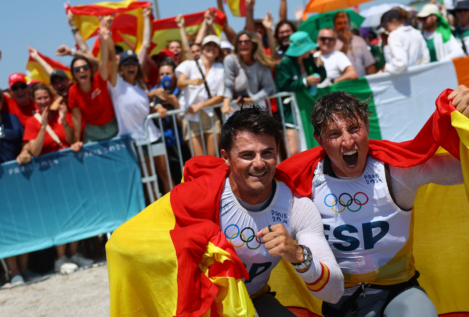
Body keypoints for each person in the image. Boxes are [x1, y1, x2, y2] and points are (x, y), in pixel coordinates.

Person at [106, 106, 344, 316]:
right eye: (247, 155)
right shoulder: (200, 195)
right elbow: (120, 243)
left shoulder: (296, 206)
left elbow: (334, 292)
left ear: (278, 151)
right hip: (205, 307)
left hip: (255, 300)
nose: (259, 163)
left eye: (267, 153)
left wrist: (300, 257)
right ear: (225, 157)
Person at [276, 87, 469, 316]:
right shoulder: (300, 183)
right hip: (340, 301)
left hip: (398, 292)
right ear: (319, 140)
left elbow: (464, 166)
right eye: (335, 134)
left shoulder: (398, 172)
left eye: (354, 129)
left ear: (367, 127)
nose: (348, 142)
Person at [108, 49, 172, 196]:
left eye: (134, 62)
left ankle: (175, 207)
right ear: (121, 67)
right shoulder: (116, 84)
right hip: (136, 142)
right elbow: (109, 58)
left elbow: (144, 109)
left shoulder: (141, 85)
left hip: (153, 137)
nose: (131, 65)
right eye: (127, 63)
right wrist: (106, 38)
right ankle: (155, 212)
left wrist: (157, 108)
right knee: (149, 179)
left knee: (165, 174)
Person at [276, 31, 327, 157]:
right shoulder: (285, 63)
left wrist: (320, 67)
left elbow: (322, 77)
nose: (310, 49)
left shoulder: (310, 59)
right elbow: (283, 85)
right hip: (291, 111)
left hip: (308, 109)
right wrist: (305, 81)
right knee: (293, 151)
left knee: (315, 146)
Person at [68, 20, 117, 145]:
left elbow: (105, 61)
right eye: (77, 69)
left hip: (113, 128)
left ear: (90, 70)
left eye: (85, 67)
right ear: (73, 74)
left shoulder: (99, 79)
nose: (82, 70)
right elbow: (77, 118)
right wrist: (76, 141)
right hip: (92, 134)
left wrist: (103, 40)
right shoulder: (73, 91)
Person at [176, 35, 225, 157]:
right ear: (202, 49)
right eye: (209, 45)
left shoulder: (221, 68)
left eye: (215, 46)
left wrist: (200, 105)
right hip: (190, 117)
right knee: (200, 161)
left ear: (218, 51)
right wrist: (191, 81)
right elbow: (179, 83)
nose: (211, 48)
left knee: (212, 160)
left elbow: (220, 96)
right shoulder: (189, 65)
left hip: (210, 116)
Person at [222, 30, 276, 115]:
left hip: (258, 107)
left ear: (253, 45)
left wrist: (253, 99)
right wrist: (225, 104)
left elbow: (269, 87)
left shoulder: (261, 63)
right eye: (240, 42)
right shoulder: (230, 60)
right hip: (236, 108)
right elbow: (229, 85)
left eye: (246, 41)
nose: (243, 44)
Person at [380, 9, 430, 74]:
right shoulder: (417, 32)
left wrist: (384, 69)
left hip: (403, 80)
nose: (385, 30)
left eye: (385, 26)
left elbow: (400, 63)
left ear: (395, 21)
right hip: (418, 77)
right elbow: (426, 59)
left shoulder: (394, 35)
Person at [334, 11, 377, 77]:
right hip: (343, 85)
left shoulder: (359, 40)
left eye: (346, 22)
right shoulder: (331, 43)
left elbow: (369, 64)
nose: (343, 26)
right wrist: (346, 43)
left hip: (362, 83)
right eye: (339, 23)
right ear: (334, 25)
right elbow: (336, 63)